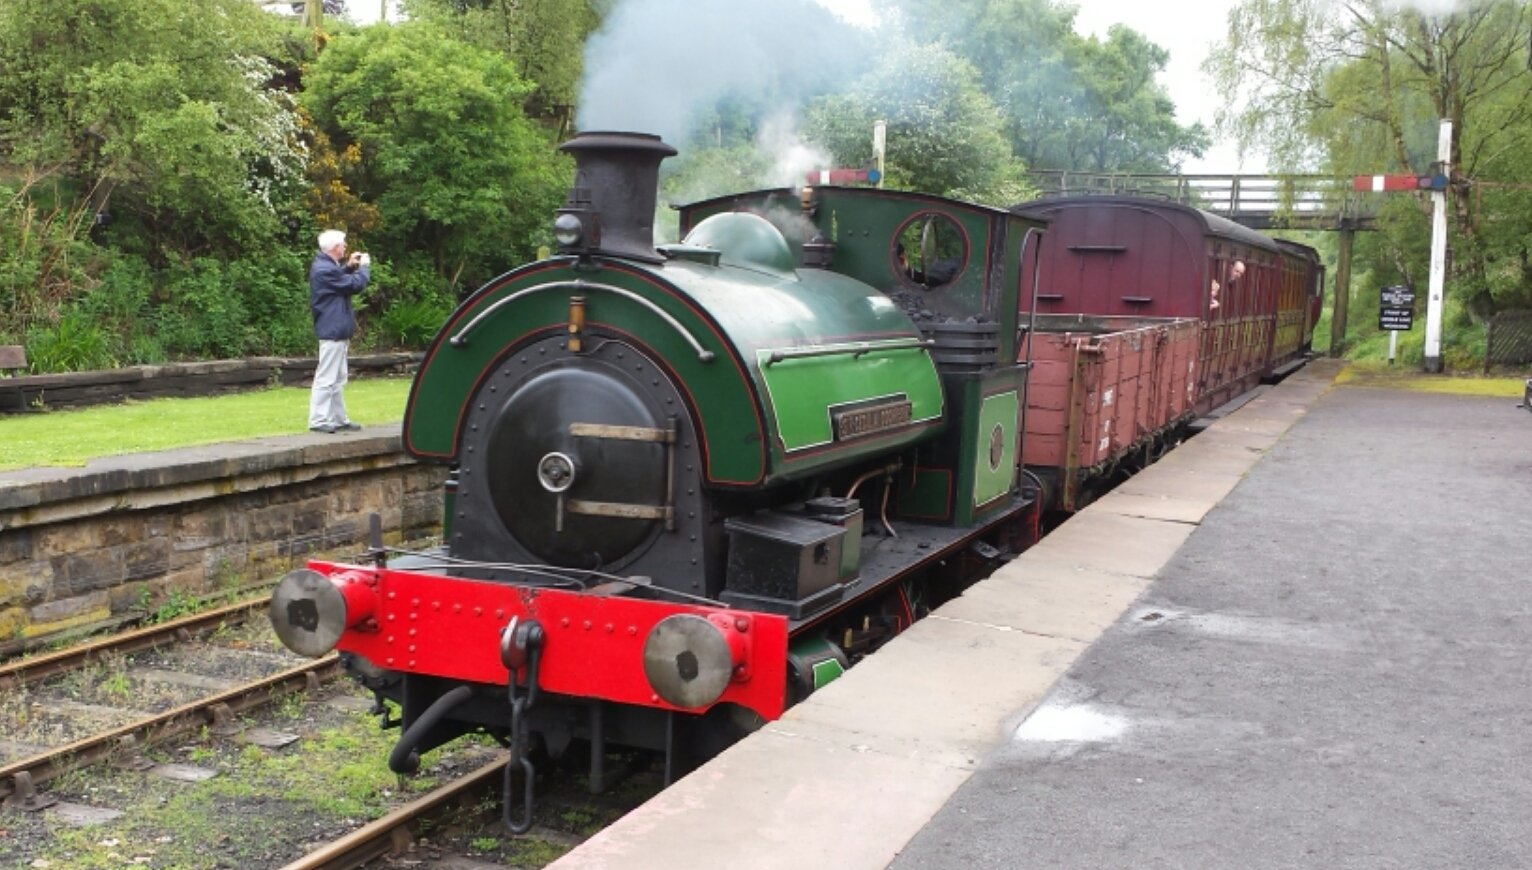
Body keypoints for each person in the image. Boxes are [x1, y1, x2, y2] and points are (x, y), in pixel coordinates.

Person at [308, 229, 370, 434]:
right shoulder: (324, 269)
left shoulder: (328, 266)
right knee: (327, 377)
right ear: (335, 248)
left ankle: (338, 418)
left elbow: (339, 278)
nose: (345, 247)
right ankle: (318, 420)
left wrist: (349, 267)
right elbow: (355, 285)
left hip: (337, 329)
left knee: (338, 378)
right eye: (343, 244)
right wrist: (364, 268)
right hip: (332, 328)